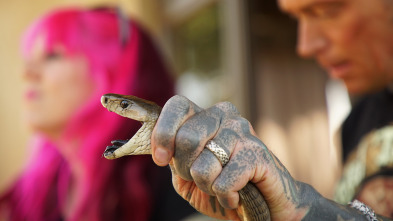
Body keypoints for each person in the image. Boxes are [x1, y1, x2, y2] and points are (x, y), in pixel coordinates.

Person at [144, 0, 393, 220]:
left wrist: (302, 209)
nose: (305, 46)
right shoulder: (359, 120)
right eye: (296, 18)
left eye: (326, 11)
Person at [0, 7, 196, 221]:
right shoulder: (35, 193)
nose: (26, 73)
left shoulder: (175, 178)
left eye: (52, 55)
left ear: (111, 71)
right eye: (29, 58)